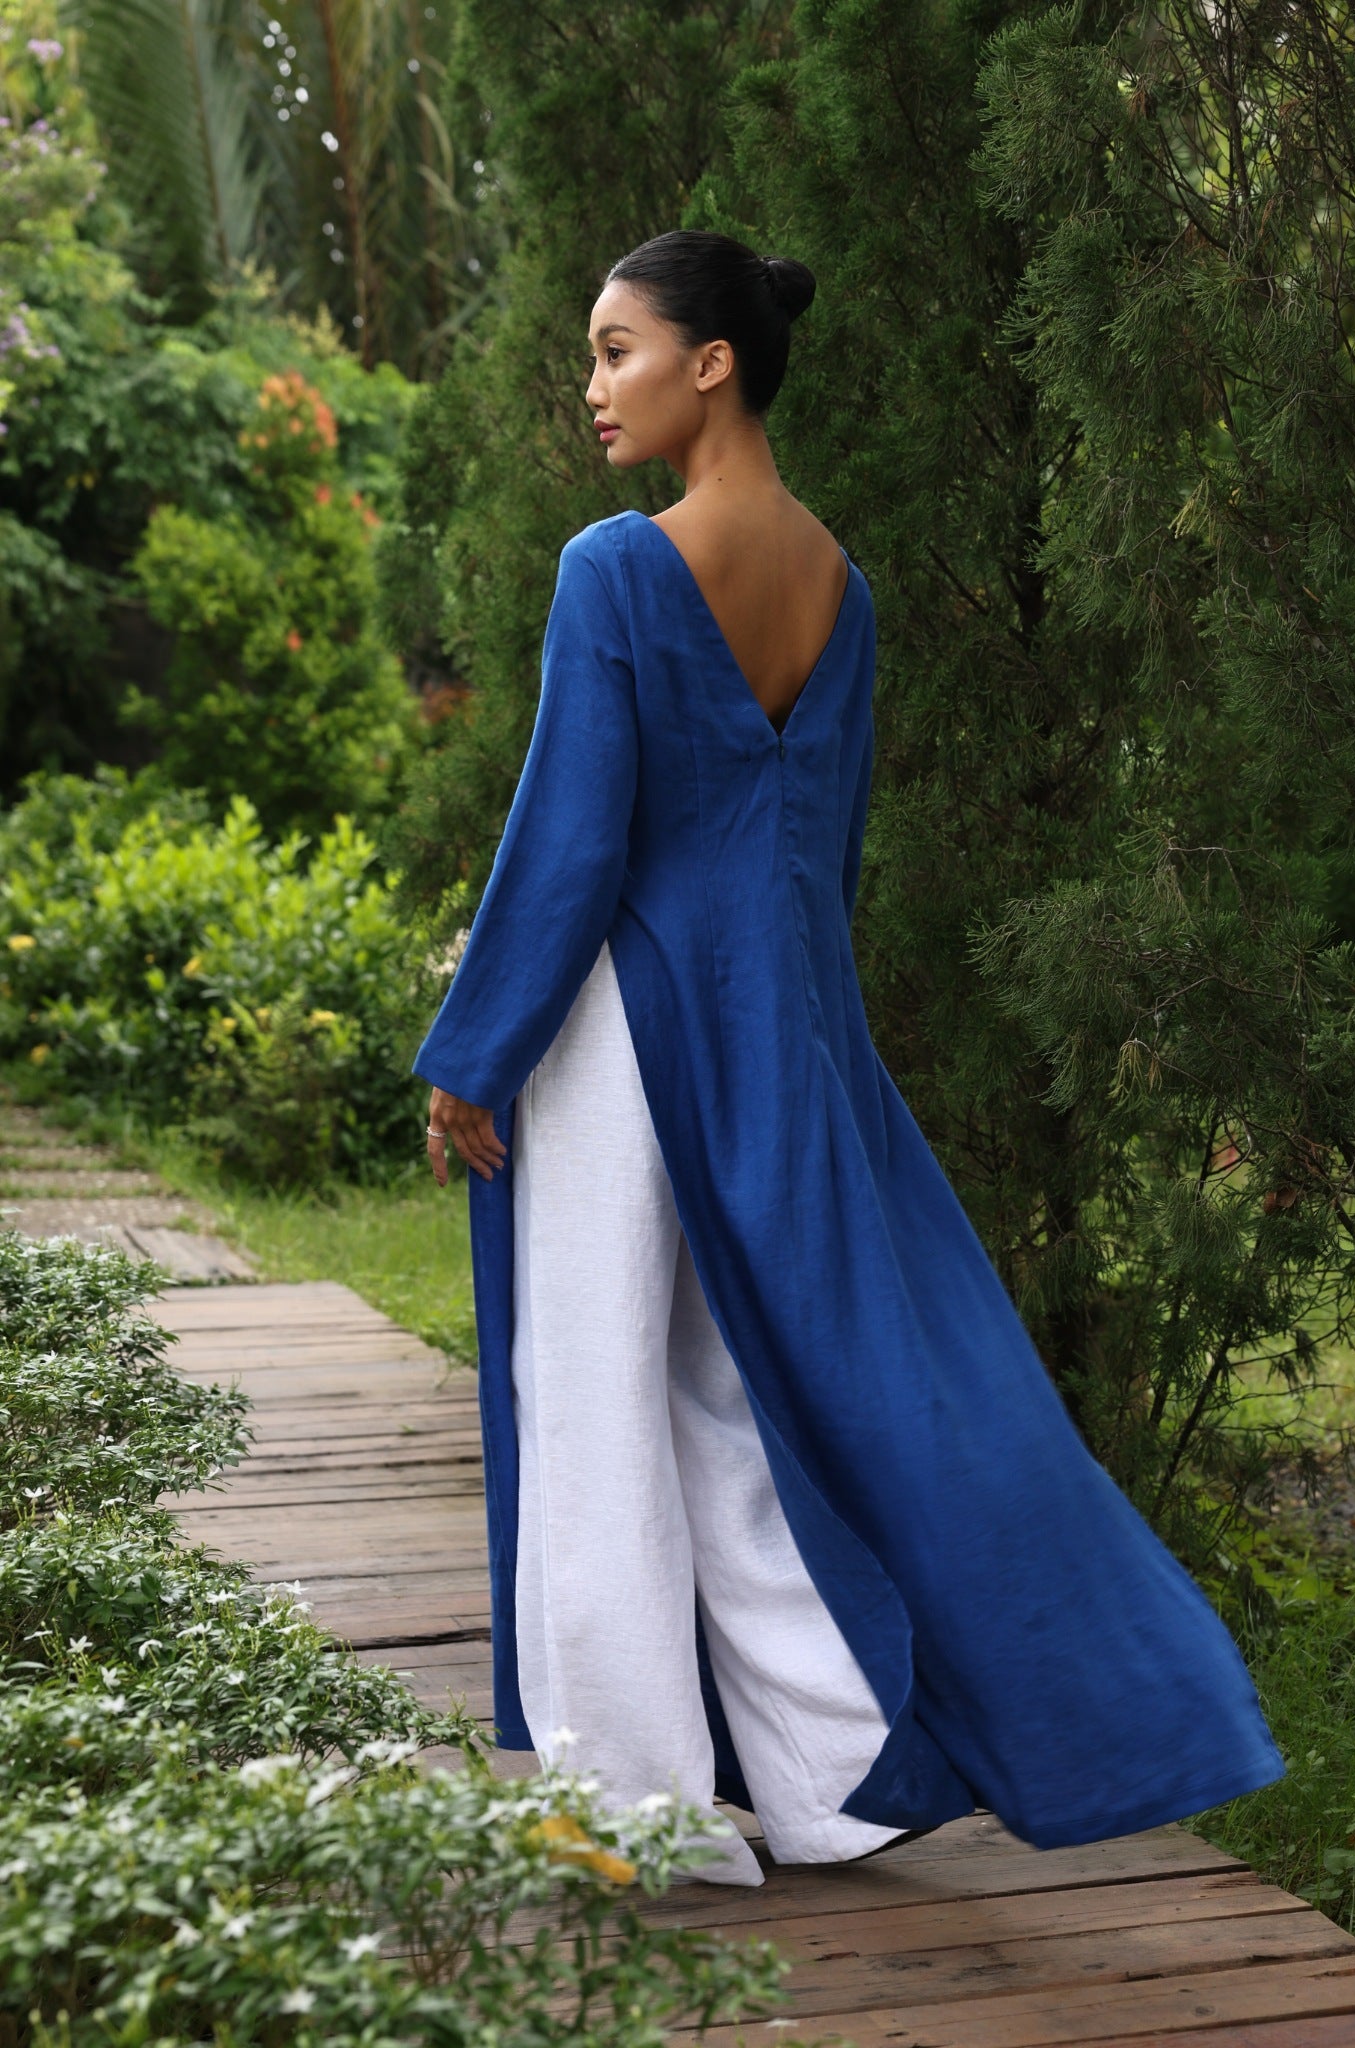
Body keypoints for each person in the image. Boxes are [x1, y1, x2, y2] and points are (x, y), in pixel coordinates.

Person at [413, 229, 1284, 1887]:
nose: (593, 386)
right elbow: (821, 852)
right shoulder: (841, 583)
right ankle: (826, 1777)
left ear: (710, 360)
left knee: (594, 1397)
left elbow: (572, 838)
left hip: (621, 1030)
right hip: (783, 1030)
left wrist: (475, 1049)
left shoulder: (618, 568)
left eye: (616, 350)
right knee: (735, 1401)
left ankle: (635, 1812)